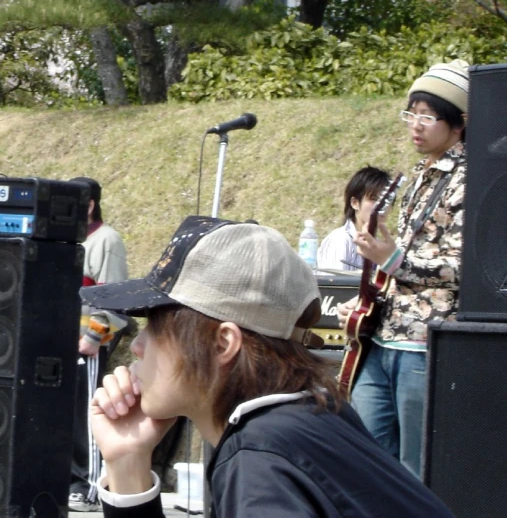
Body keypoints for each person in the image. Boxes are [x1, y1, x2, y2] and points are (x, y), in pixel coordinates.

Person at [82, 215, 454, 517]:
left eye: (157, 327)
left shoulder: (260, 463)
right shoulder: (315, 417)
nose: (138, 345)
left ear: (223, 343)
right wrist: (128, 461)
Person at [337, 60, 468, 477]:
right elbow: (395, 258)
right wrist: (363, 303)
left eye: (428, 117)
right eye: (411, 114)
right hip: (384, 334)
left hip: (426, 342)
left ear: (459, 123)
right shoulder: (414, 177)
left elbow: (465, 266)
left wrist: (393, 260)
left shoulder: (474, 179)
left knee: (416, 467)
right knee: (369, 458)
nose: (416, 125)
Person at [68, 176, 128, 512]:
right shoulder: (64, 239)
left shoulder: (107, 240)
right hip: (55, 341)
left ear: (90, 205)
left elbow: (113, 295)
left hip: (84, 343)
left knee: (83, 416)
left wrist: (93, 338)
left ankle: (88, 486)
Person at [317, 165, 391, 271]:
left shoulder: (379, 248)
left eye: (387, 200)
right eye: (373, 199)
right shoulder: (340, 240)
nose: (382, 205)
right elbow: (334, 285)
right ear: (355, 203)